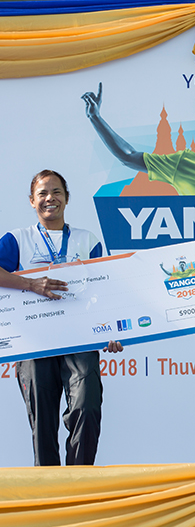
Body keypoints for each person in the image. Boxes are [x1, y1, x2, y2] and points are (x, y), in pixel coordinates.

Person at [0, 169, 122, 466]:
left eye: (56, 192)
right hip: (35, 341)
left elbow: (103, 289)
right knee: (42, 420)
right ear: (32, 201)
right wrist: (31, 284)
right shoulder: (17, 239)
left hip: (79, 338)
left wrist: (112, 329)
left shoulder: (86, 240)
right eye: (42, 193)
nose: (49, 198)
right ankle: (48, 486)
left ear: (66, 198)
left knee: (87, 407)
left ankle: (79, 480)